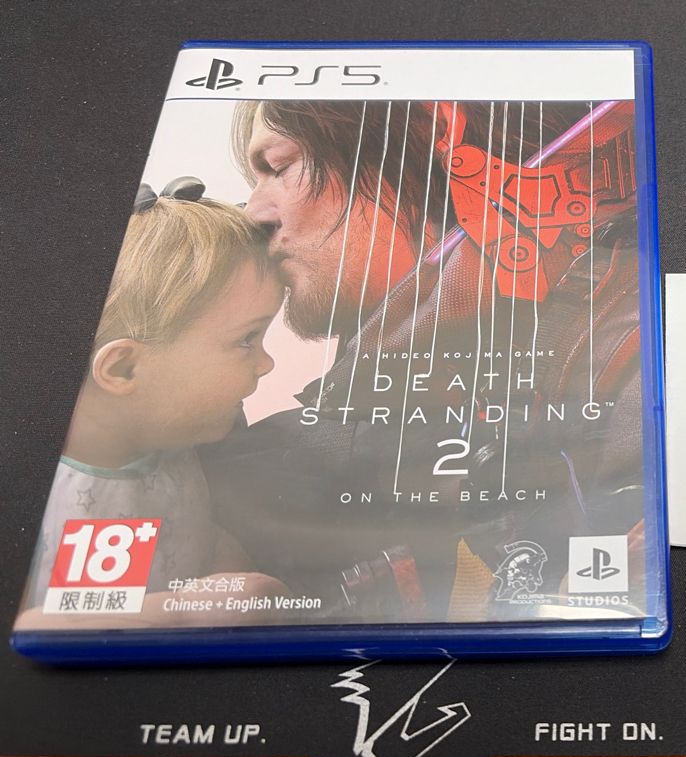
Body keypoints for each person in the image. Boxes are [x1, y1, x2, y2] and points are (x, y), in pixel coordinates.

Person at [201, 100, 648, 621]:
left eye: (279, 167)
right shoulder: (394, 386)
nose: (254, 212)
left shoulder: (622, 358)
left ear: (428, 133)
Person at [16, 180, 287, 629]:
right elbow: (27, 624)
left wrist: (235, 572)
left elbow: (194, 533)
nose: (267, 363)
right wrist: (183, 610)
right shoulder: (38, 496)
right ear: (124, 369)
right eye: (246, 339)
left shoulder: (174, 447)